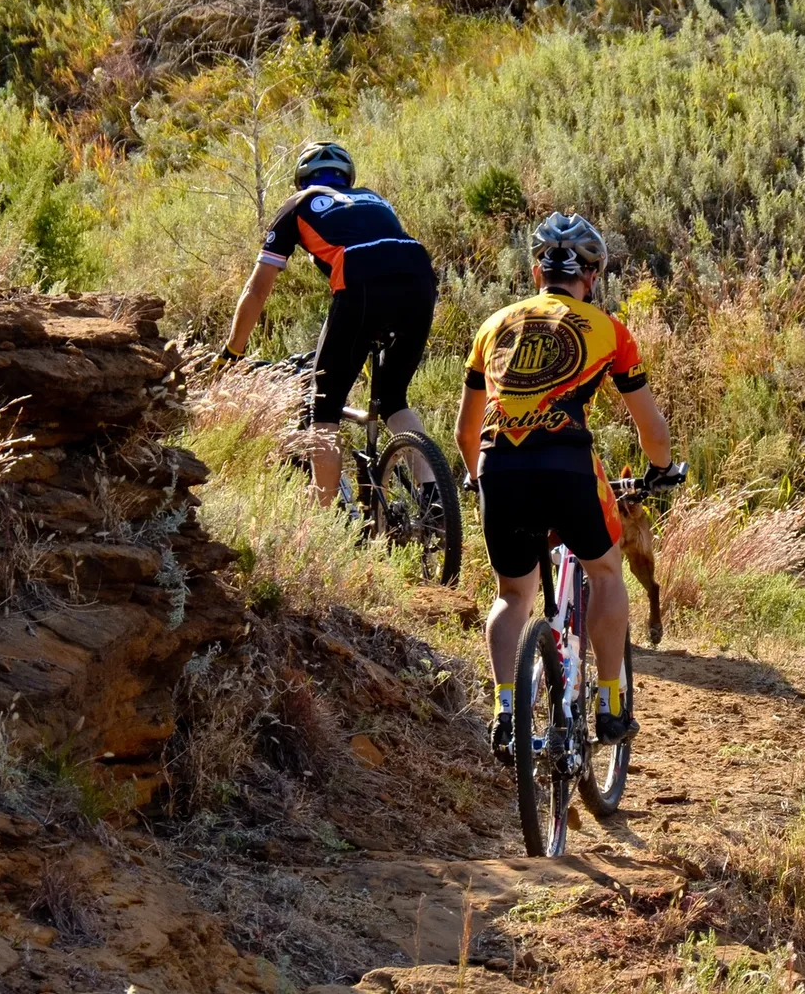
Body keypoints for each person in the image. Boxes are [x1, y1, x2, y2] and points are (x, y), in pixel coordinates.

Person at [454, 212, 684, 762]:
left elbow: (466, 428)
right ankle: (609, 704)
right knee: (605, 571)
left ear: (538, 272)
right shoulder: (606, 328)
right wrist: (662, 469)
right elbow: (650, 427)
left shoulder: (494, 326)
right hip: (566, 464)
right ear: (593, 275)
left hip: (497, 467)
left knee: (512, 596)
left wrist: (474, 475)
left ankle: (506, 710)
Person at [224, 140, 438, 502]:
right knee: (393, 399)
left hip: (362, 288)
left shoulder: (298, 203)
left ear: (301, 179)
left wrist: (232, 352)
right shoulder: (374, 198)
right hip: (420, 283)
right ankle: (434, 502)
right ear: (347, 177)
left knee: (323, 407)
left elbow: (257, 290)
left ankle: (322, 514)